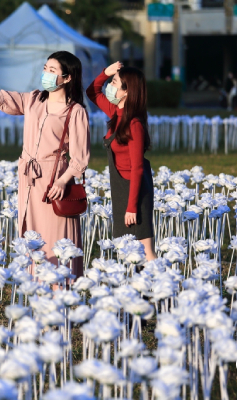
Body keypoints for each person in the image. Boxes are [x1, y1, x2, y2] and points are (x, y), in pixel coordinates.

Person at [0, 50, 90, 278]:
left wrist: (62, 181)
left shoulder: (75, 111)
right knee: (30, 233)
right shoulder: (34, 99)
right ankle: (35, 286)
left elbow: (80, 158)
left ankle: (59, 287)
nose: (46, 74)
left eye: (52, 70)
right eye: (45, 68)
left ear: (67, 77)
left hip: (53, 180)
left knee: (54, 236)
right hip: (28, 177)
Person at [86, 62, 157, 262]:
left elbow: (137, 168)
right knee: (127, 248)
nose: (109, 85)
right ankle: (139, 290)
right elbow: (91, 92)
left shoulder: (134, 124)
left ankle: (164, 288)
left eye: (114, 82)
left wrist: (132, 207)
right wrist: (105, 72)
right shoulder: (116, 113)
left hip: (134, 191)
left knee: (145, 250)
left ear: (126, 92)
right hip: (120, 189)